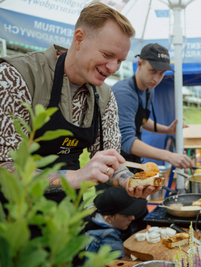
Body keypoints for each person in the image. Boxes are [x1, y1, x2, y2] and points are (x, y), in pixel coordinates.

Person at [0, 2, 159, 211]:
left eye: (120, 60)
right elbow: (5, 169)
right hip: (13, 220)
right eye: (107, 55)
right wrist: (76, 176)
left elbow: (111, 161)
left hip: (67, 221)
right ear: (79, 39)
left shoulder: (104, 96)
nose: (113, 67)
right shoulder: (16, 76)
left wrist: (129, 181)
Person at [111, 43, 191, 171]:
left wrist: (167, 130)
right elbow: (126, 141)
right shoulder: (124, 93)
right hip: (112, 165)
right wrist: (168, 155)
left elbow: (139, 120)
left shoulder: (149, 89)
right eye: (152, 70)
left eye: (161, 73)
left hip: (132, 161)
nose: (156, 79)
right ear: (139, 64)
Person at [85, 187, 148, 259]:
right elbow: (122, 263)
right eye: (126, 215)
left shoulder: (92, 215)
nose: (132, 218)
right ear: (108, 218)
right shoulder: (107, 239)